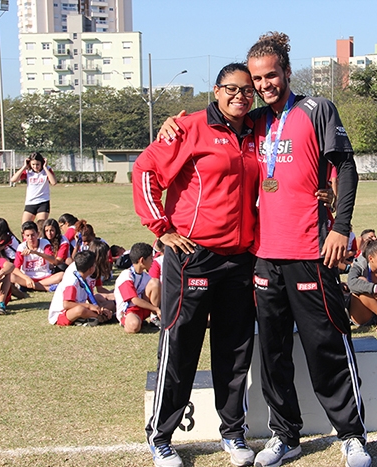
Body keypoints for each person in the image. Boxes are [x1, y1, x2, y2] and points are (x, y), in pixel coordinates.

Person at [245, 33, 372, 467]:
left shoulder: (317, 109)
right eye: (258, 78)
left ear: (286, 71)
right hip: (264, 254)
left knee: (326, 345)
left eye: (272, 75)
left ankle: (352, 435)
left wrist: (341, 227)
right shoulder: (254, 121)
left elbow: (346, 166)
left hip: (311, 249)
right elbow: (209, 125)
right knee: (273, 350)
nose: (265, 84)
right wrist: (176, 120)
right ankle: (286, 436)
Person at [134, 63, 259, 467]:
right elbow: (146, 170)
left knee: (235, 349)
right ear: (217, 90)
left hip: (240, 258)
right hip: (193, 256)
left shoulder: (257, 129)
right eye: (232, 89)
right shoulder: (188, 127)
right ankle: (161, 436)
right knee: (181, 345)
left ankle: (233, 433)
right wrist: (161, 227)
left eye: (247, 91)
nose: (240, 97)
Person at [47, 250, 112, 326]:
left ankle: (93, 317)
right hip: (61, 314)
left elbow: (90, 298)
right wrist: (89, 306)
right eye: (94, 264)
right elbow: (66, 304)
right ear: (91, 269)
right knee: (80, 310)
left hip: (79, 307)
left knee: (109, 305)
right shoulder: (72, 282)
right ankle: (99, 318)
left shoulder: (84, 276)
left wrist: (100, 309)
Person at [114, 242, 161, 333]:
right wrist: (155, 308)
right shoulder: (126, 276)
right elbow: (134, 300)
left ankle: (154, 318)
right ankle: (129, 321)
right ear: (142, 260)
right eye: (151, 258)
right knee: (134, 326)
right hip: (130, 310)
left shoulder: (146, 277)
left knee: (155, 283)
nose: (153, 261)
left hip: (145, 308)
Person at [12, 221, 64, 292]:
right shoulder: (21, 248)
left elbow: (53, 261)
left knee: (61, 275)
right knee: (11, 277)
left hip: (45, 277)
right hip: (28, 278)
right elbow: (15, 269)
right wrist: (27, 278)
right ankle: (47, 288)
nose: (30, 238)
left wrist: (36, 253)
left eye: (33, 235)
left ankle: (30, 287)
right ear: (24, 236)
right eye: (27, 236)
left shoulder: (44, 243)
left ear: (38, 234)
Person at [10, 152, 57, 230]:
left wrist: (45, 168)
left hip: (43, 201)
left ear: (42, 163)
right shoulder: (28, 171)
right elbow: (13, 179)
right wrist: (24, 167)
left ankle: (42, 242)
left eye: (38, 164)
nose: (35, 167)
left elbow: (54, 182)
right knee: (24, 227)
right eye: (33, 164)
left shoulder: (47, 169)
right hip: (30, 202)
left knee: (41, 227)